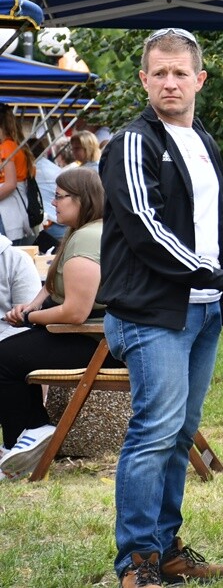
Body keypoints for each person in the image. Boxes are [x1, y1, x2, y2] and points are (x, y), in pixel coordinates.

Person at [100, 27, 223, 588]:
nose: (169, 82)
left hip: (203, 312)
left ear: (199, 80)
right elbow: (147, 232)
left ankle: (164, 549)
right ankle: (136, 563)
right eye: (158, 72)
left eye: (180, 72)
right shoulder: (134, 143)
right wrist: (221, 275)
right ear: (143, 80)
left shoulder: (202, 142)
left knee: (179, 436)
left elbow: (212, 234)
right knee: (153, 433)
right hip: (152, 315)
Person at [0, 168, 113, 479]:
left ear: (81, 200)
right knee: (12, 351)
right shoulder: (87, 231)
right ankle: (30, 437)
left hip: (96, 342)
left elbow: (75, 312)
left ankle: (25, 440)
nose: (54, 202)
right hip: (94, 338)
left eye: (60, 197)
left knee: (4, 359)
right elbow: (55, 286)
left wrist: (32, 318)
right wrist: (33, 305)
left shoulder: (86, 239)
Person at [0, 104, 32, 245]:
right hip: (13, 210)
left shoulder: (6, 148)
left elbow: (10, 184)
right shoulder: (14, 145)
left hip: (7, 212)